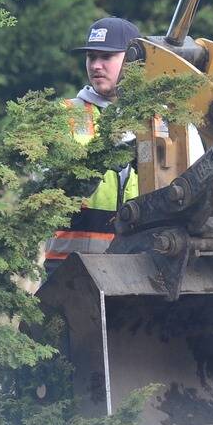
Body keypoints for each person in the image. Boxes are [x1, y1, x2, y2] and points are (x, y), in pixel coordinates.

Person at [42, 16, 142, 273]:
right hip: (69, 270)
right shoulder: (63, 115)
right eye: (91, 57)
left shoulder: (157, 121)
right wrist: (98, 162)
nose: (96, 65)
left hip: (135, 270)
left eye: (106, 57)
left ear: (133, 60)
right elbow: (46, 190)